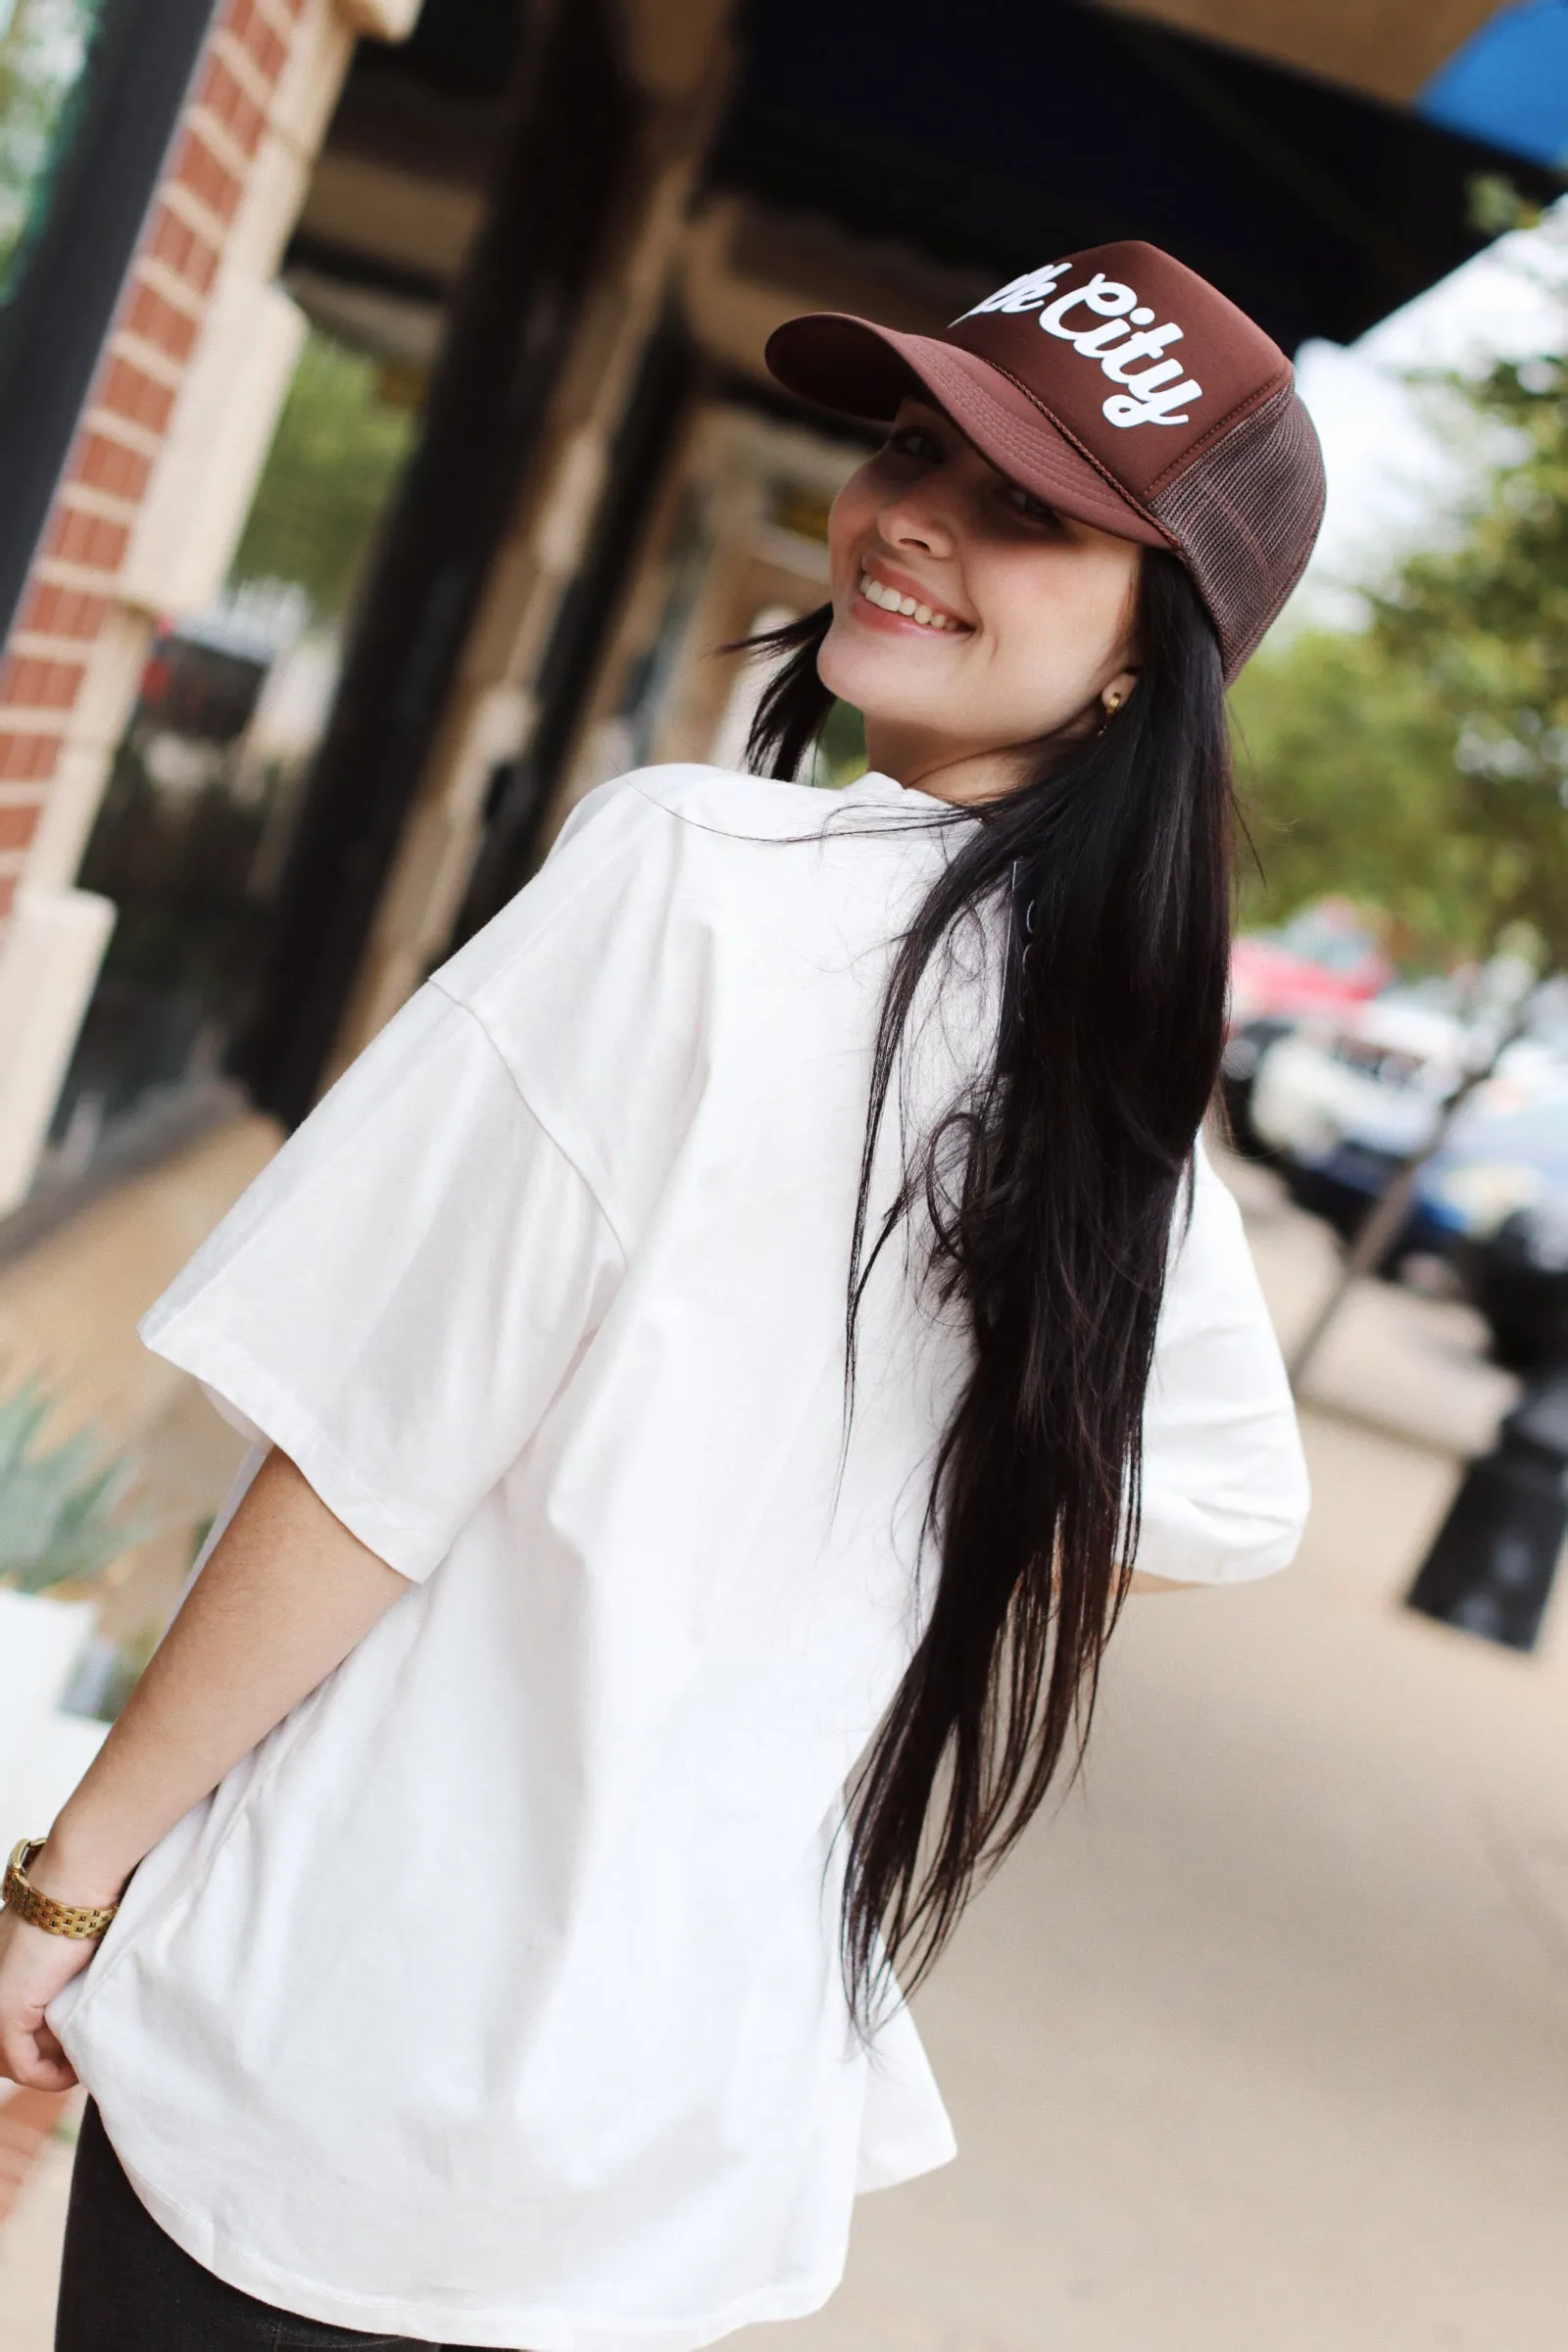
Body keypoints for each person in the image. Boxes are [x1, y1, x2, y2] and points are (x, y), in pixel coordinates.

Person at [1, 239, 1319, 2351]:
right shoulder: (1105, 1085)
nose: (911, 518)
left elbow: (369, 1454)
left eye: (1025, 507)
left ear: (1146, 659)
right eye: (913, 445)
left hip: (339, 2034)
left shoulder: (697, 876)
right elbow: (1214, 1506)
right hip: (666, 2142)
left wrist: (67, 1883)